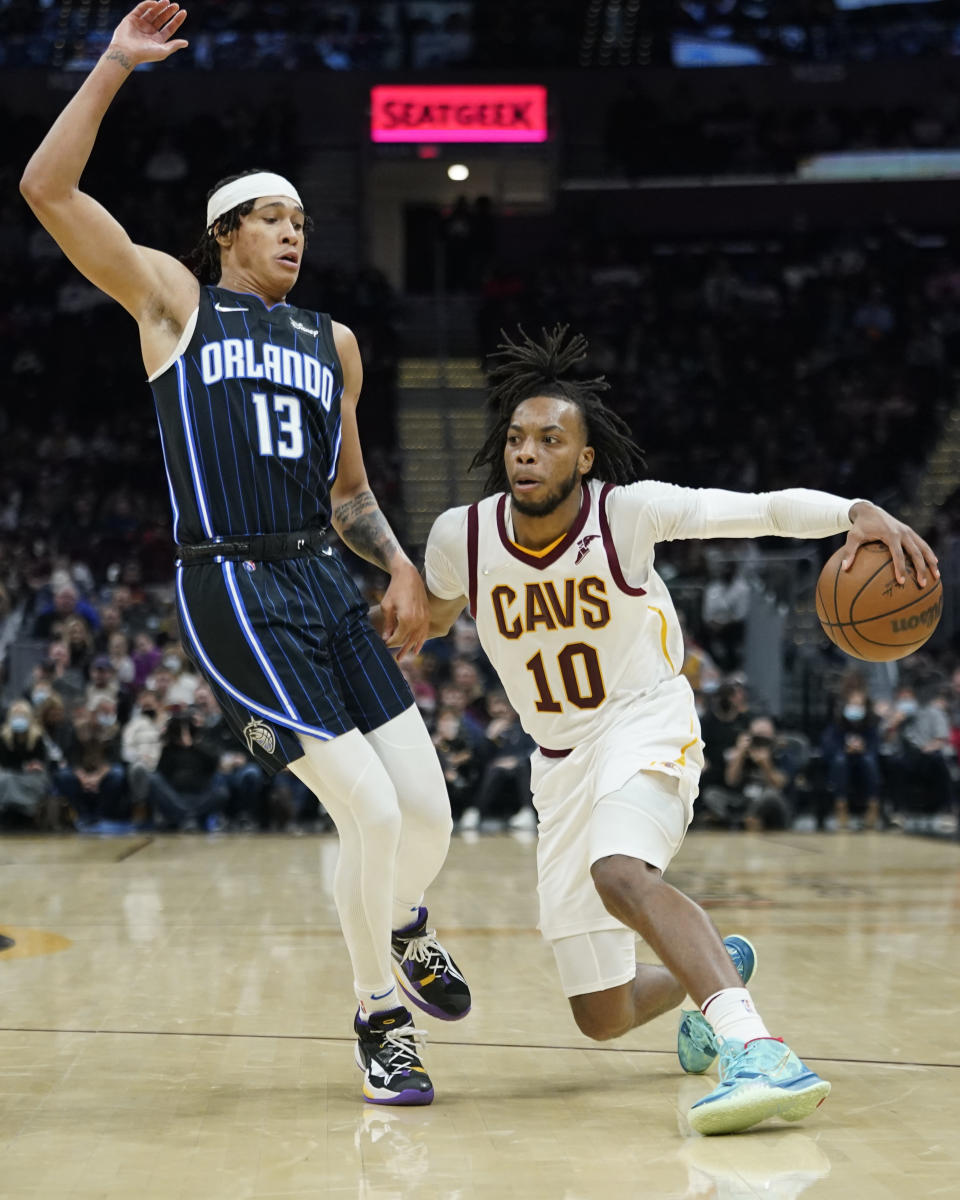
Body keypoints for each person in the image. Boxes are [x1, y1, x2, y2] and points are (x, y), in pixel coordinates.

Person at [21, 1, 469, 1107]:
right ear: (223, 235)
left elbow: (352, 492)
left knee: (432, 817)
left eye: (302, 221)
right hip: (229, 580)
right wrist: (115, 68)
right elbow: (48, 192)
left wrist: (402, 569)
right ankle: (376, 1016)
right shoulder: (173, 305)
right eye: (271, 218)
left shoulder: (337, 344)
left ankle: (404, 923)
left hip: (323, 572)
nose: (293, 232)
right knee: (363, 810)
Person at [406, 324, 938, 1135]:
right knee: (602, 1014)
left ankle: (758, 1051)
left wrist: (853, 511)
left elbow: (755, 512)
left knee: (621, 872)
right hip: (558, 763)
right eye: (517, 438)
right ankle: (711, 973)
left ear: (584, 458)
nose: (527, 453)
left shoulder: (627, 516)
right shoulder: (462, 537)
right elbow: (438, 608)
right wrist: (398, 616)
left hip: (644, 721)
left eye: (551, 439)